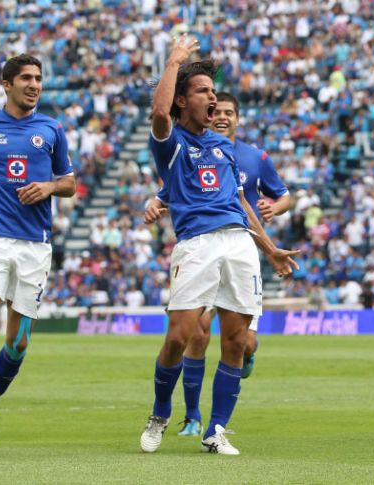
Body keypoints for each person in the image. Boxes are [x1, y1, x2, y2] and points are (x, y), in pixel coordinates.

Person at [139, 34, 299, 455]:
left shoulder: (225, 148)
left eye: (214, 91)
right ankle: (160, 412)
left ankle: (216, 430)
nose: (212, 99)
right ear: (181, 100)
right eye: (203, 92)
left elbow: (241, 202)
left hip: (240, 246)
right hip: (196, 246)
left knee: (236, 340)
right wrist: (174, 61)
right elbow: (158, 110)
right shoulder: (171, 143)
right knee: (179, 337)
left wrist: (269, 248)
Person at [0, 54, 76, 449]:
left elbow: (69, 182)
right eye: (26, 78)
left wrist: (50, 187)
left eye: (38, 78)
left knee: (18, 341)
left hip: (33, 249)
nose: (34, 84)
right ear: (7, 84)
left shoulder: (52, 129)